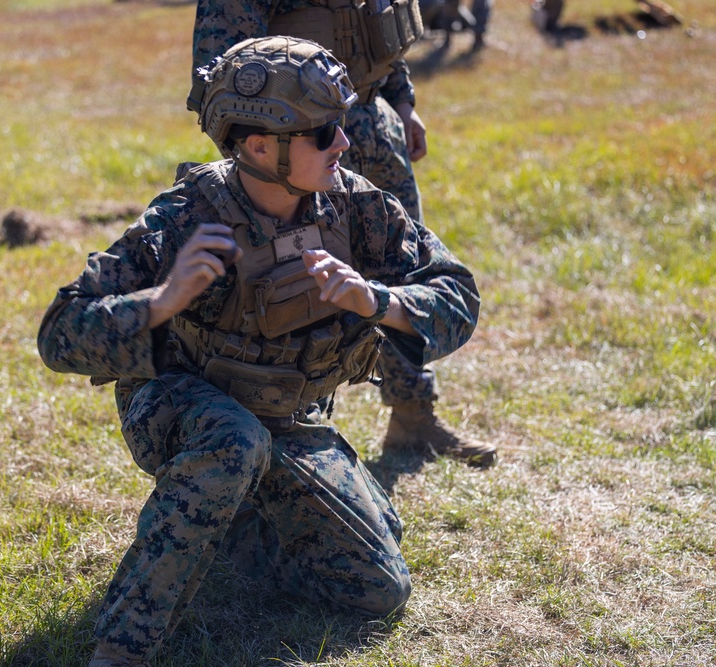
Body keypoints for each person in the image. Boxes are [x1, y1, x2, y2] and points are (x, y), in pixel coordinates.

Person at [38, 37, 481, 667]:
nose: (345, 143)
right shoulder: (187, 218)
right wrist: (161, 300)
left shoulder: (355, 205)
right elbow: (59, 334)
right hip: (184, 410)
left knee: (376, 590)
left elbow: (457, 295)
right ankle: (120, 647)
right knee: (232, 443)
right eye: (325, 132)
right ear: (257, 146)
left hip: (288, 419)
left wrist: (376, 301)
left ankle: (237, 523)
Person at [190, 0, 498, 466]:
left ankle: (413, 413)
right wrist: (266, 173)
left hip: (372, 124)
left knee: (401, 274)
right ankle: (289, 438)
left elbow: (380, 24)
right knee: (295, 290)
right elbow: (224, 76)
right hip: (299, 148)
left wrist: (401, 101)